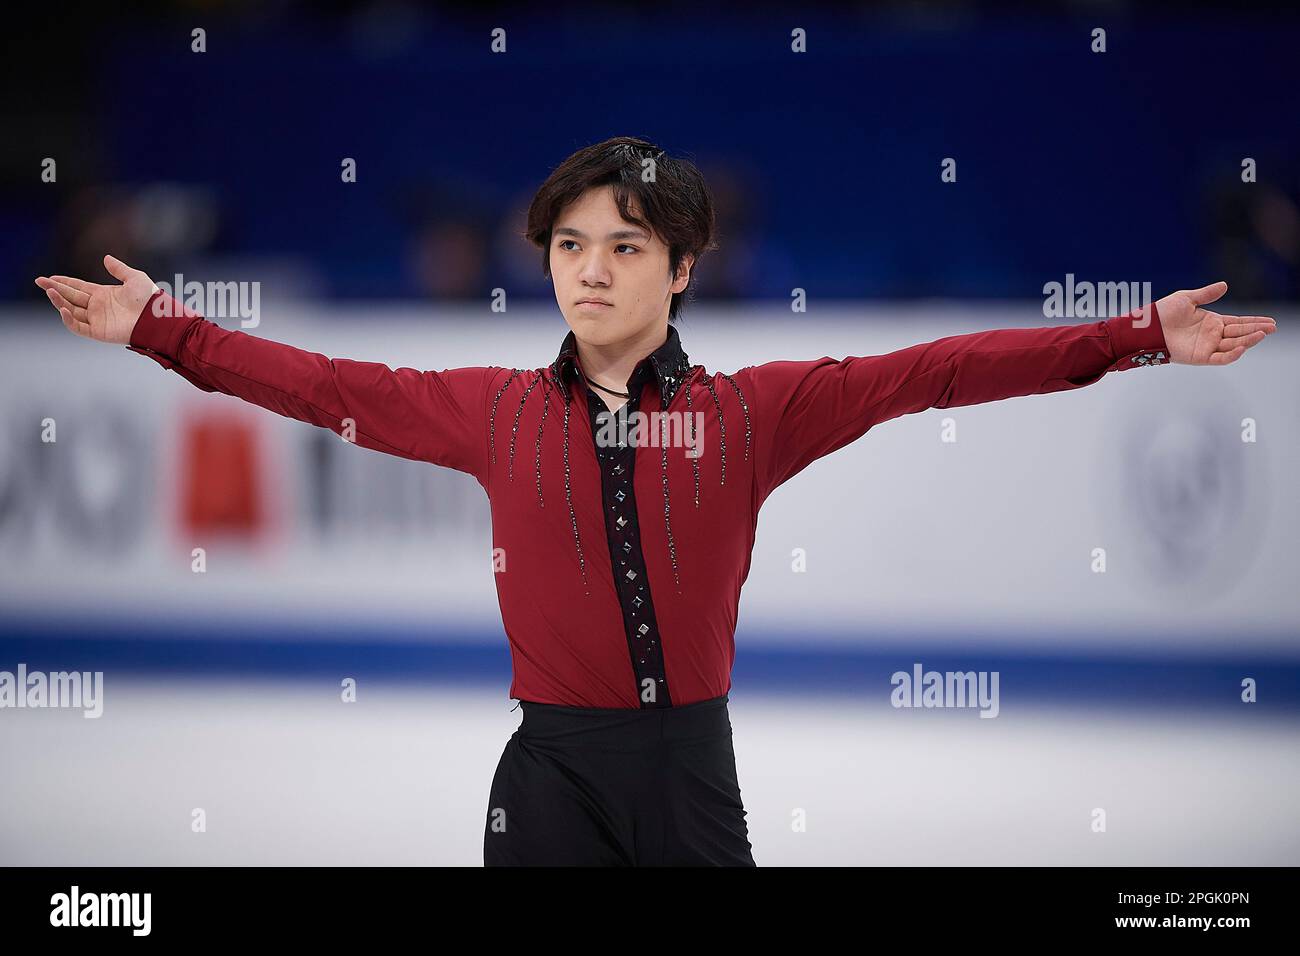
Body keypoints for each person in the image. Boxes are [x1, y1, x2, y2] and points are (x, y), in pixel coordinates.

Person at [34, 136, 1277, 866]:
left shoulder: (752, 413)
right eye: (570, 245)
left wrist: (1134, 337)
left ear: (682, 268)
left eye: (624, 246)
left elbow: (932, 369)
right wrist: (165, 331)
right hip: (547, 771)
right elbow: (316, 382)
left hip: (690, 768)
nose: (590, 269)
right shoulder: (488, 411)